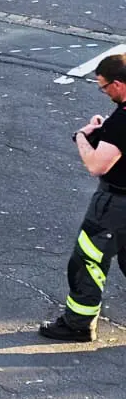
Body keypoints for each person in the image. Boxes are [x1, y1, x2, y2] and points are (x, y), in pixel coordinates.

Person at [38, 54, 126, 343]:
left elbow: (96, 165)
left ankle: (78, 324)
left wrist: (81, 137)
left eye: (104, 87)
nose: (105, 93)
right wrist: (106, 131)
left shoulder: (122, 121)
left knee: (87, 260)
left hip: (115, 205)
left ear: (118, 84)